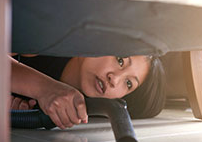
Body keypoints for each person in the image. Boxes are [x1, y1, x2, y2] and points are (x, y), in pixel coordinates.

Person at [10, 54, 166, 129]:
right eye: (120, 60)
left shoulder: (68, 112)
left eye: (128, 83)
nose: (115, 79)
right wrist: (44, 88)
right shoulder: (46, 36)